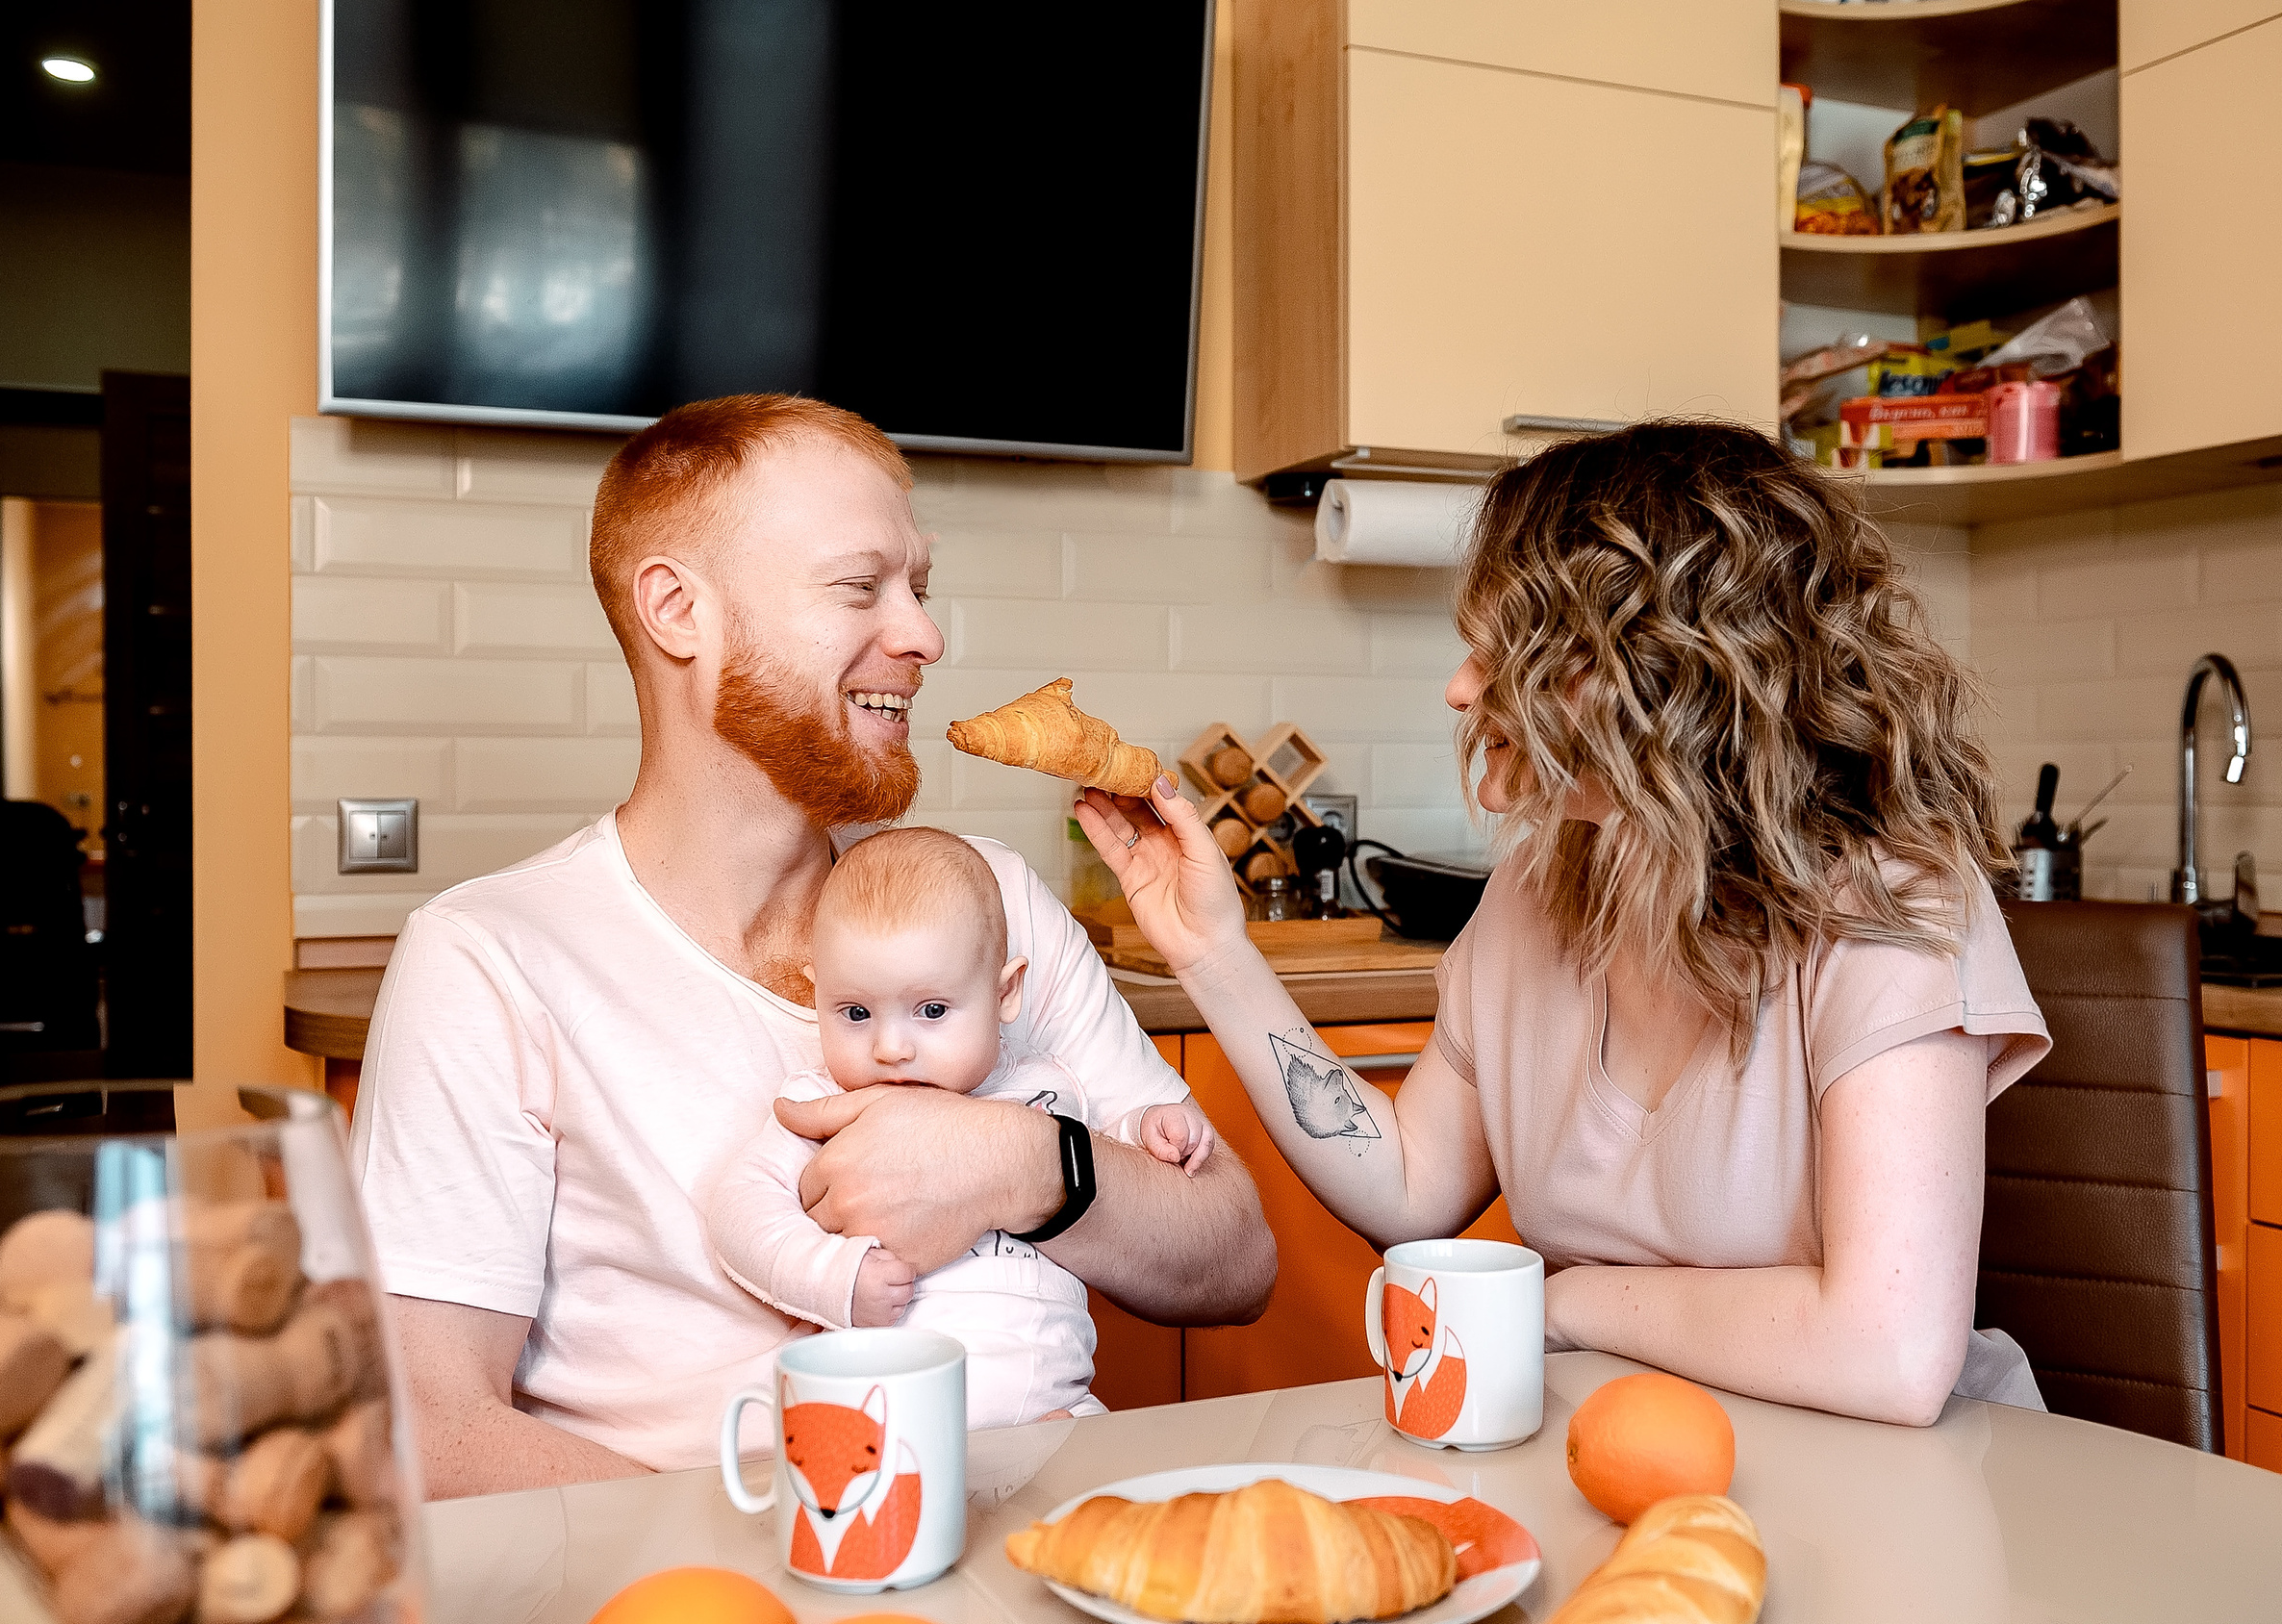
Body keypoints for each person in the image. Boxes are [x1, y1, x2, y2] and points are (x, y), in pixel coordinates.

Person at [350, 394, 1274, 1497]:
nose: (924, 636)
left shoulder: (988, 905)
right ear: (679, 611)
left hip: (1050, 1552)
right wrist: (800, 1552)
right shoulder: (490, 961)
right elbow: (433, 1428)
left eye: (919, 588)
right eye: (859, 585)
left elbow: (1235, 1258)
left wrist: (1027, 1165)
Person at [1079, 420, 2050, 1427]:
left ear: (1664, 666)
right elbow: (1408, 1187)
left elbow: (1886, 1353)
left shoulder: (1891, 901)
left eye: (1508, 650)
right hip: (1617, 1447)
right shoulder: (1542, 885)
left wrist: (1570, 1302)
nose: (1461, 688)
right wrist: (1211, 952)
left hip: (1890, 1490)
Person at [707, 826, 1213, 1429]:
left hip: (1059, 1412)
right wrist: (834, 1281)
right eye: (856, 1013)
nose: (891, 1047)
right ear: (817, 994)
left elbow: (1105, 1159)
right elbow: (739, 1212)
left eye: (932, 1011)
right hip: (896, 1428)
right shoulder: (818, 1106)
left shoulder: (1047, 1087)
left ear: (1006, 992)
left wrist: (1152, 1128)